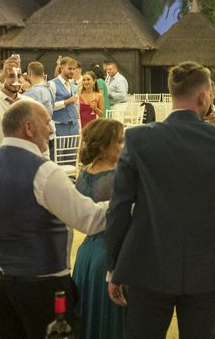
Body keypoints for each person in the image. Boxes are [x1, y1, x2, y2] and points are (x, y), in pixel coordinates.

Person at [105, 61, 215, 339]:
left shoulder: (138, 139)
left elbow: (119, 208)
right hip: (206, 268)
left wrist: (114, 266)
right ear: (202, 96)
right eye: (211, 92)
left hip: (147, 264)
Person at [0, 101, 109, 339]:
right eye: (47, 122)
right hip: (42, 286)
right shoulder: (45, 172)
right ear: (29, 128)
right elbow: (89, 219)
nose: (51, 129)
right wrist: (127, 202)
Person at [72, 119, 126, 339]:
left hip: (86, 254)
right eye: (120, 141)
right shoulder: (117, 177)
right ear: (105, 146)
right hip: (112, 256)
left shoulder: (84, 172)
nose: (124, 146)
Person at [50, 56, 80, 137]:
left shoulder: (74, 86)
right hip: (59, 127)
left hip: (74, 127)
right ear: (62, 67)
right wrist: (66, 102)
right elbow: (49, 107)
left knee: (74, 150)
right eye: (70, 69)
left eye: (74, 69)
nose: (72, 71)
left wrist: (78, 123)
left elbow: (77, 106)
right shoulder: (52, 84)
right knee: (58, 150)